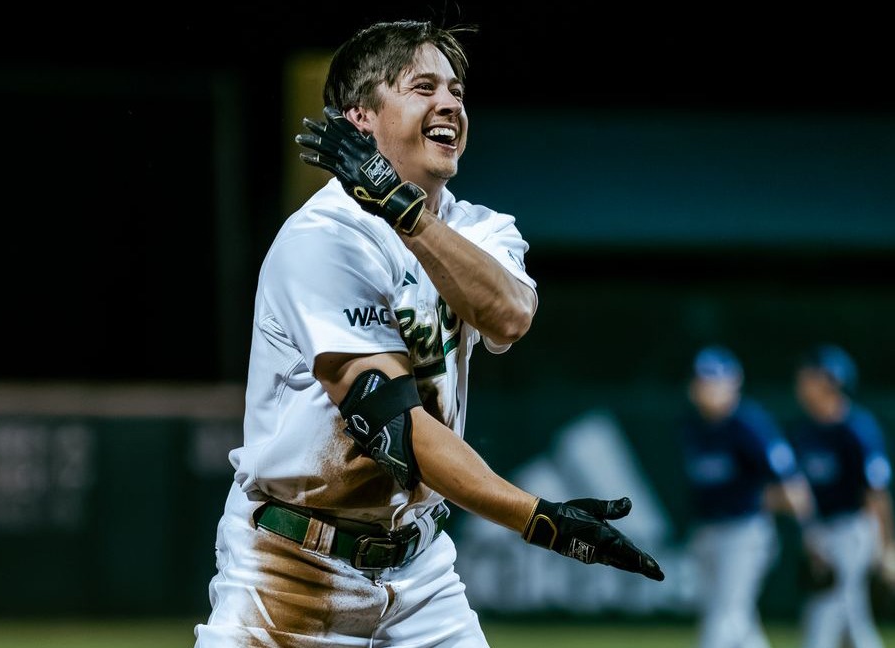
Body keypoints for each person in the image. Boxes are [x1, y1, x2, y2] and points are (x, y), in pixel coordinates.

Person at [192, 18, 663, 647]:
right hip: (293, 566)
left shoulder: (483, 228)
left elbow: (510, 315)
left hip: (420, 568)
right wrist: (537, 519)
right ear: (360, 116)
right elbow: (394, 427)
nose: (450, 104)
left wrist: (405, 209)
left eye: (457, 91)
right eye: (423, 88)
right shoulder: (323, 237)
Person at [679, 345, 816, 648]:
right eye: (701, 380)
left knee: (723, 618)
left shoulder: (749, 425)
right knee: (740, 623)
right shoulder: (692, 425)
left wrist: (812, 537)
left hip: (744, 534)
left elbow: (793, 487)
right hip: (708, 531)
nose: (706, 388)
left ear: (733, 383)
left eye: (713, 380)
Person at [790, 343, 895, 648]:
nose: (802, 382)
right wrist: (811, 537)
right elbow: (803, 494)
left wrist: (888, 546)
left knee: (822, 619)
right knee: (853, 626)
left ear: (831, 381)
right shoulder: (805, 431)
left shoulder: (857, 429)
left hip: (853, 529)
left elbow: (876, 493)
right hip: (823, 530)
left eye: (809, 376)